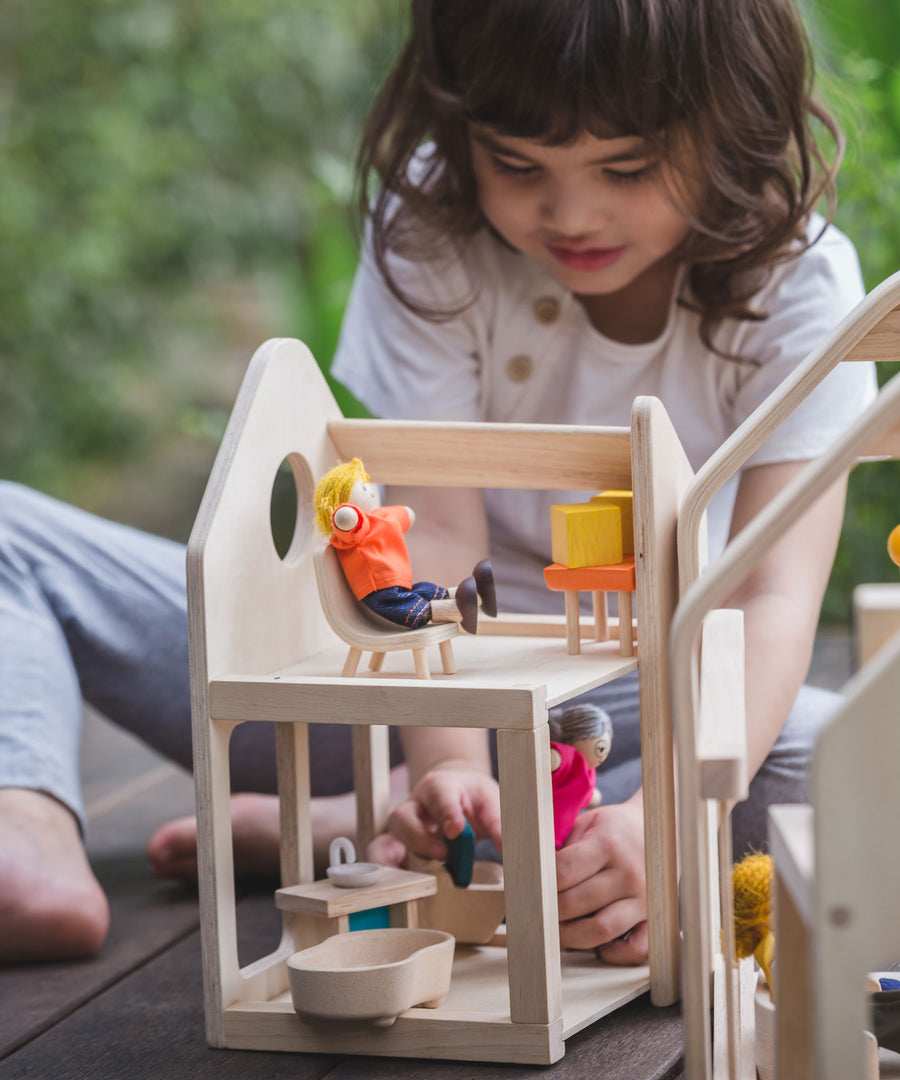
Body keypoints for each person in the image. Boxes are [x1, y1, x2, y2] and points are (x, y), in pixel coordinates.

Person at [0, 0, 878, 965]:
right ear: (459, 131)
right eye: (516, 163)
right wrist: (452, 767)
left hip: (628, 703)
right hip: (372, 674)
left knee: (849, 772)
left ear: (736, 121)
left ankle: (371, 818)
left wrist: (665, 820)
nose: (572, 214)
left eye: (626, 168)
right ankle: (28, 825)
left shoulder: (800, 288)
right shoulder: (431, 223)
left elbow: (766, 596)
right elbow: (432, 550)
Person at [313, 456, 496, 632]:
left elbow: (406, 515)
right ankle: (459, 610)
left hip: (401, 584)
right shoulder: (355, 528)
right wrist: (344, 514)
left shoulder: (381, 517)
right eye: (362, 488)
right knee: (412, 608)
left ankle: (470, 593)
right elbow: (345, 520)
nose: (369, 491)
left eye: (367, 486)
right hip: (378, 593)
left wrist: (407, 515)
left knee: (423, 590)